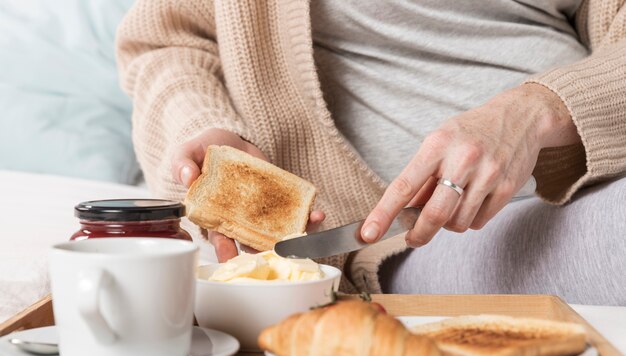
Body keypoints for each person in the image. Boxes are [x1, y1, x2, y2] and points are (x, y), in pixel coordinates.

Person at [116, 0, 626, 304]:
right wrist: (204, 127)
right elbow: (168, 41)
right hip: (413, 240)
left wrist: (538, 110)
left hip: (601, 180)